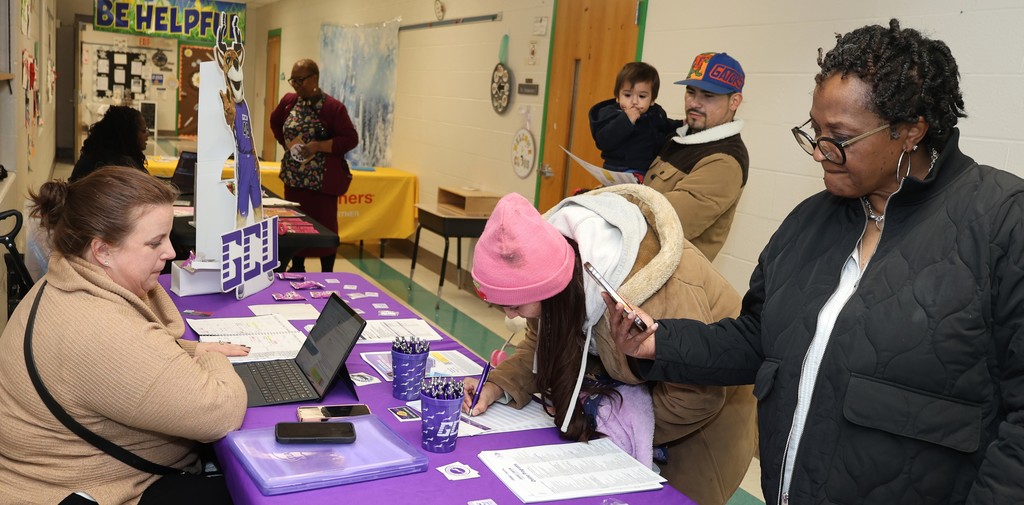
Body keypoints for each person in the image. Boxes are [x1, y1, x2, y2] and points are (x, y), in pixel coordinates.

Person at [608, 19, 1024, 504]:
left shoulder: (1001, 222)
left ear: (910, 131)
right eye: (815, 130)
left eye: (840, 137)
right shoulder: (811, 221)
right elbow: (759, 337)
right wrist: (662, 343)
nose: (819, 153)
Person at [464, 187, 756, 505]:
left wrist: (615, 426)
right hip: (631, 399)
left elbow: (696, 397)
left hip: (702, 420)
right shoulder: (552, 275)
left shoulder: (654, 293)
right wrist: (498, 385)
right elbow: (540, 342)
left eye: (515, 306)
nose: (510, 316)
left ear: (547, 290)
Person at [0, 166, 250, 504]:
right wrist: (213, 357)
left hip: (58, 473)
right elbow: (222, 413)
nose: (171, 252)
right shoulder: (99, 329)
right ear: (102, 251)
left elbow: (137, 354)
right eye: (155, 242)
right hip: (86, 489)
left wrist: (190, 351)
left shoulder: (66, 280)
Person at [644, 52, 747, 261]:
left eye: (708, 96)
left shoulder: (725, 161)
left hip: (667, 276)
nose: (694, 103)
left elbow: (666, 222)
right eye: (691, 92)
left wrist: (616, 201)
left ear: (734, 101)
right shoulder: (681, 138)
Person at [270, 59, 359, 273]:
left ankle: (327, 272)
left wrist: (319, 146)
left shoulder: (333, 108)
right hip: (294, 180)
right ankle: (297, 268)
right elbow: (275, 122)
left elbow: (350, 139)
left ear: (315, 78)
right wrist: (288, 145)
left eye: (300, 80)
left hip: (321, 183)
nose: (296, 85)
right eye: (293, 80)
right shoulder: (289, 102)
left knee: (324, 229)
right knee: (296, 227)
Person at [588, 62, 683, 181]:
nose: (634, 102)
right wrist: (626, 120)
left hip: (646, 170)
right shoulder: (610, 114)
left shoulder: (655, 113)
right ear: (618, 97)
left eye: (642, 96)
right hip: (618, 170)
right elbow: (604, 141)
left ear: (652, 100)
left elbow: (666, 125)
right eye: (627, 95)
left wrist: (682, 124)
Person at [70, 105, 149, 182]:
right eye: (144, 130)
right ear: (129, 134)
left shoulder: (90, 156)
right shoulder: (123, 166)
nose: (148, 134)